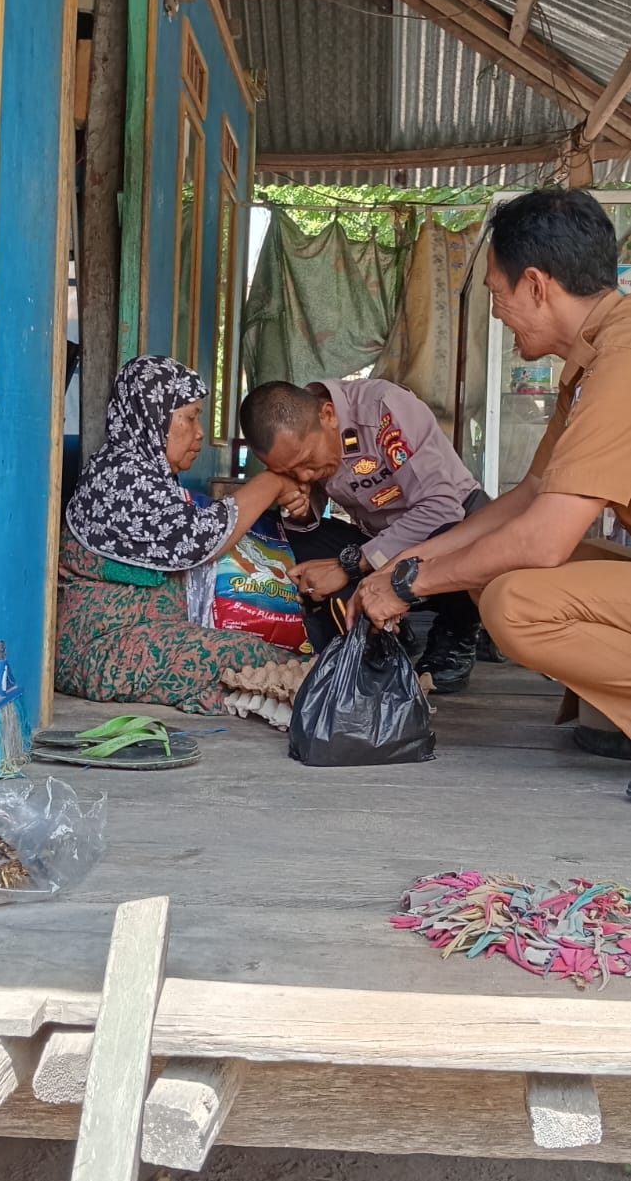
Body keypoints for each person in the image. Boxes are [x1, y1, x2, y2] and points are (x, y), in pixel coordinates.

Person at [352, 188, 631, 768]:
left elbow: (542, 538)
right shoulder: (595, 356)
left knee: (514, 601)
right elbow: (529, 497)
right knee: (486, 570)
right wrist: (410, 563)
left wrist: (409, 587)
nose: (497, 312)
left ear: (535, 284)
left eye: (497, 295)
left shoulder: (623, 360)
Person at [56, 355, 308, 710]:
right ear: (153, 418)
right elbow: (202, 539)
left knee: (252, 642)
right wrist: (273, 482)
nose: (200, 432)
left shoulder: (143, 472)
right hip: (99, 646)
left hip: (134, 632)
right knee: (245, 656)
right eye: (189, 418)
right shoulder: (122, 478)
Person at [239, 376, 489, 693]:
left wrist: (350, 565)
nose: (303, 475)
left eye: (305, 462)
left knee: (455, 538)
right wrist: (301, 510)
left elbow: (440, 509)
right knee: (288, 538)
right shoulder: (305, 438)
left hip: (449, 527)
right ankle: (387, 630)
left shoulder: (383, 410)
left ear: (328, 415)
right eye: (290, 470)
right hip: (380, 540)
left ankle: (459, 630)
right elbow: (309, 509)